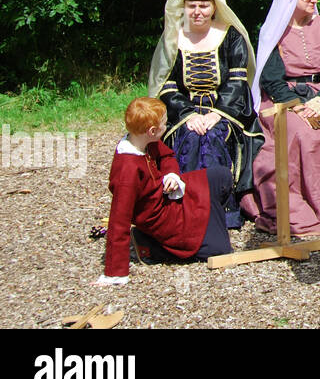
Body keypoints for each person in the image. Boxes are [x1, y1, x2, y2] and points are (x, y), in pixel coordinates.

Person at [241, 0, 320, 236]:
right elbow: (270, 78)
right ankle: (309, 208)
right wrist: (297, 106)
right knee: (302, 133)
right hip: (283, 100)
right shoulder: (274, 31)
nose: (314, 0)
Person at [148, 0, 262, 228]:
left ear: (214, 8)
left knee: (212, 137)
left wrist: (217, 114)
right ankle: (183, 208)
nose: (197, 11)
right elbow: (167, 85)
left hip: (226, 110)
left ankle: (221, 212)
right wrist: (189, 115)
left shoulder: (230, 36)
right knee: (189, 138)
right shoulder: (173, 38)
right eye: (191, 6)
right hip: (183, 111)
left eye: (203, 6)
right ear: (183, 8)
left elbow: (237, 81)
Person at [97, 96, 233, 284]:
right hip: (164, 221)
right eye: (164, 124)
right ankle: (152, 246)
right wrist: (115, 272)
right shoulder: (127, 170)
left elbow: (167, 156)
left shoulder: (147, 141)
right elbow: (118, 220)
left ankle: (207, 222)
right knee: (220, 250)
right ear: (152, 131)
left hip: (171, 197)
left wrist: (172, 175)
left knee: (222, 177)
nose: (167, 126)